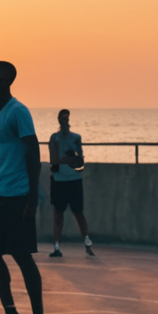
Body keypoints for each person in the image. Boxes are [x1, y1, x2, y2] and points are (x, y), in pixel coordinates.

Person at [0, 61, 50, 314]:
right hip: (1, 193)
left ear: (5, 78)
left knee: (22, 256)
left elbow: (33, 153)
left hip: (19, 196)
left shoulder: (19, 111)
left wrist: (32, 198)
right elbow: (7, 154)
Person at [48, 109, 94, 258]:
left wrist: (71, 158)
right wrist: (68, 159)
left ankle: (87, 242)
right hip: (59, 180)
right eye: (62, 119)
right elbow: (53, 160)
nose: (65, 122)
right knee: (58, 214)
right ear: (59, 121)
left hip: (74, 180)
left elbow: (80, 161)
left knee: (78, 212)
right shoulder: (54, 138)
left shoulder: (76, 138)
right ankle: (56, 245)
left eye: (67, 119)